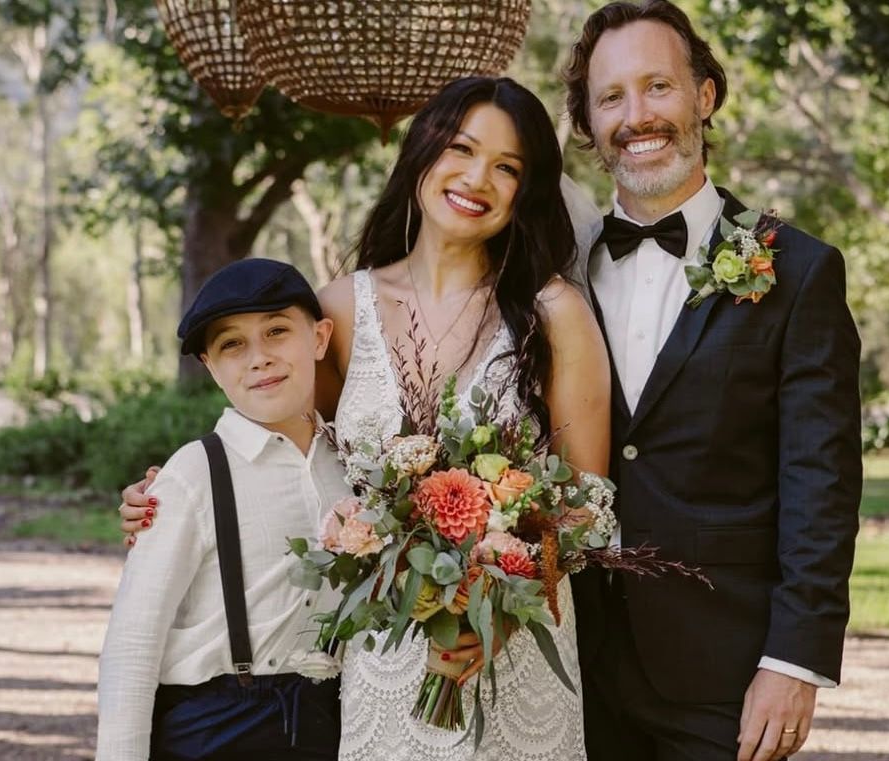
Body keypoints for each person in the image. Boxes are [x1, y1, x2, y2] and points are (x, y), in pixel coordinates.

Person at [118, 76, 612, 761]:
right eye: (462, 149)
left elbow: (587, 506)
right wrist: (168, 493)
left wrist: (497, 606)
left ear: (525, 191)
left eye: (507, 167)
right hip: (385, 650)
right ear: (422, 152)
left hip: (516, 649)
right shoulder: (340, 310)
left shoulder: (554, 313)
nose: (478, 178)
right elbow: (281, 449)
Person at [560, 3, 862, 761]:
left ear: (704, 95)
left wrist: (793, 662)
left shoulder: (798, 271)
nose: (637, 115)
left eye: (657, 86)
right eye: (611, 97)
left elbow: (821, 482)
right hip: (571, 662)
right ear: (587, 122)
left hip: (724, 672)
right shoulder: (559, 274)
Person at [97, 258, 349, 760]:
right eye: (232, 344)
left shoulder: (353, 466)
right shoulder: (193, 473)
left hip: (326, 724)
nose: (259, 358)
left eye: (277, 331)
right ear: (210, 366)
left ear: (319, 338)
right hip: (214, 729)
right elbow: (133, 644)